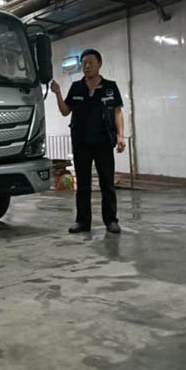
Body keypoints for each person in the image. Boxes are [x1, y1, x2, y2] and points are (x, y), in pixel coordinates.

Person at [50, 49, 125, 236]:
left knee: (107, 183)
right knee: (83, 185)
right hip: (81, 143)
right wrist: (57, 93)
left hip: (104, 142)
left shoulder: (110, 87)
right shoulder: (76, 87)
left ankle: (111, 221)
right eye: (84, 63)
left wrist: (121, 136)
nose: (87, 66)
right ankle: (82, 221)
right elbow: (65, 111)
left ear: (99, 64)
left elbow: (117, 112)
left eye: (91, 62)